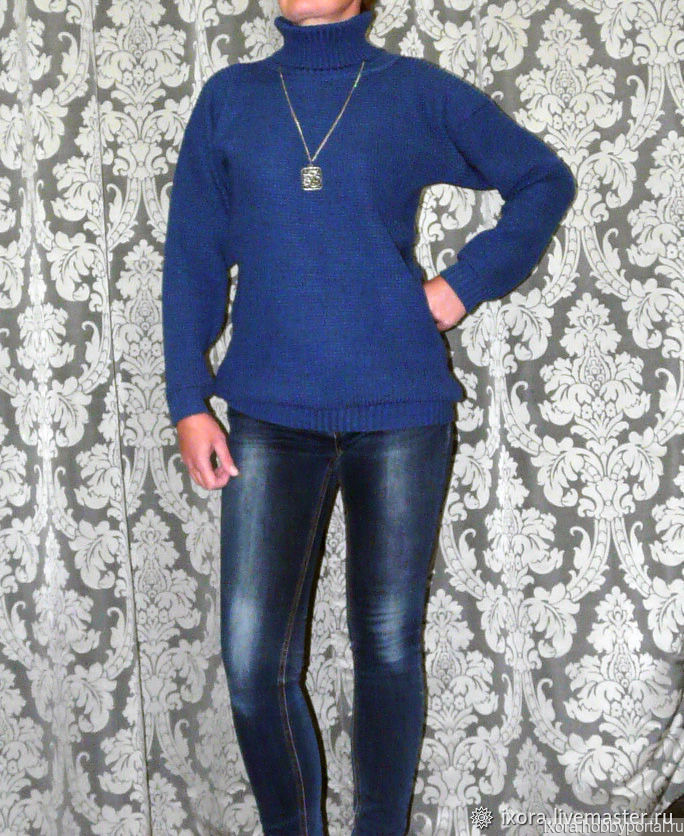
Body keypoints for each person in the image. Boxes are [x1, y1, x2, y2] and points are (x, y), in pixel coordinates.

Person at [161, 0, 576, 832]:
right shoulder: (231, 99)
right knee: (253, 665)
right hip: (269, 415)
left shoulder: (410, 90)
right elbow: (193, 253)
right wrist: (186, 399)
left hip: (400, 414)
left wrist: (461, 286)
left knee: (386, 648)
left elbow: (544, 179)